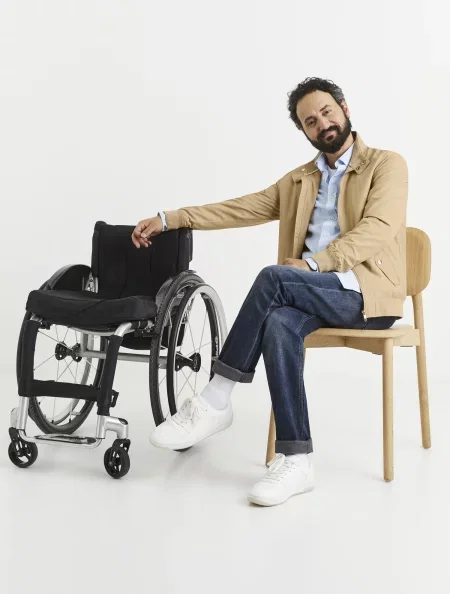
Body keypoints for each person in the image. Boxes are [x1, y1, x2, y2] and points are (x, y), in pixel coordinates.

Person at [131, 77, 408, 507]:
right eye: (310, 121)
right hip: (309, 293)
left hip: (365, 296)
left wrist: (316, 264)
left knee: (274, 277)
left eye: (327, 112)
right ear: (304, 130)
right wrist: (171, 218)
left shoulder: (386, 165)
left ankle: (216, 398)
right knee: (279, 322)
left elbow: (379, 228)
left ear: (344, 107)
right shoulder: (299, 181)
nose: (322, 124)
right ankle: (297, 460)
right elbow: (241, 208)